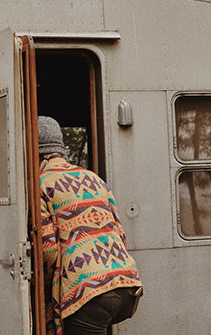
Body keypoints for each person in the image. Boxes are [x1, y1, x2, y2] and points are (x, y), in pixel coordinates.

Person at [38, 116, 143, 335]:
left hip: (88, 293)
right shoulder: (93, 179)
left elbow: (48, 251)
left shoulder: (41, 183)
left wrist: (46, 289)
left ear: (36, 154)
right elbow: (120, 235)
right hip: (127, 287)